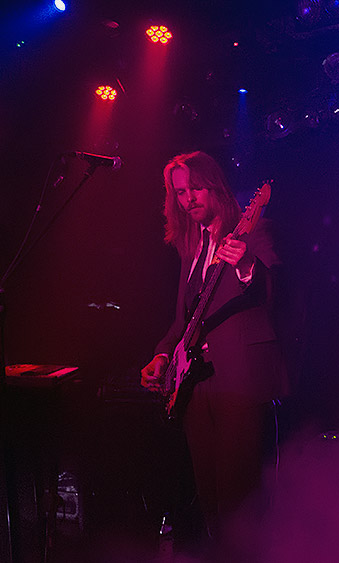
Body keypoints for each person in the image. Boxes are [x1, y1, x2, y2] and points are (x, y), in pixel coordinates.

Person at [140, 151, 285, 560]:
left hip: (238, 378)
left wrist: (246, 265)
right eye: (179, 192)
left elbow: (277, 292)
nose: (188, 198)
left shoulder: (255, 229)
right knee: (210, 502)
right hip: (196, 383)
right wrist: (162, 355)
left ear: (215, 186)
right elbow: (183, 319)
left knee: (239, 498)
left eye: (196, 188)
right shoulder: (191, 246)